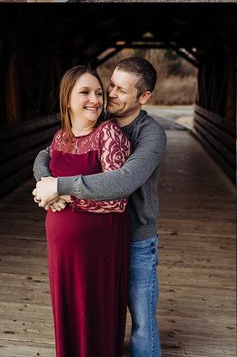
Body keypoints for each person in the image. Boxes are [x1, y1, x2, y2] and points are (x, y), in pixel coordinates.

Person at [33, 57, 167, 357]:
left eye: (121, 89)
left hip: (138, 237)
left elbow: (123, 181)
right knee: (92, 308)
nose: (109, 94)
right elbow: (48, 152)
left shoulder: (151, 135)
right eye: (111, 85)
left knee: (142, 321)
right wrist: (45, 182)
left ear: (143, 97)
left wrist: (61, 187)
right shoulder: (100, 115)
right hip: (98, 240)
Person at [36, 65, 131, 357]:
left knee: (94, 308)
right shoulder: (58, 138)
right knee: (67, 306)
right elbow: (47, 179)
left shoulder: (107, 134)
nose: (95, 99)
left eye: (99, 93)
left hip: (99, 247)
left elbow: (118, 198)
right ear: (67, 100)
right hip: (61, 249)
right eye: (85, 92)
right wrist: (50, 198)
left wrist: (62, 193)